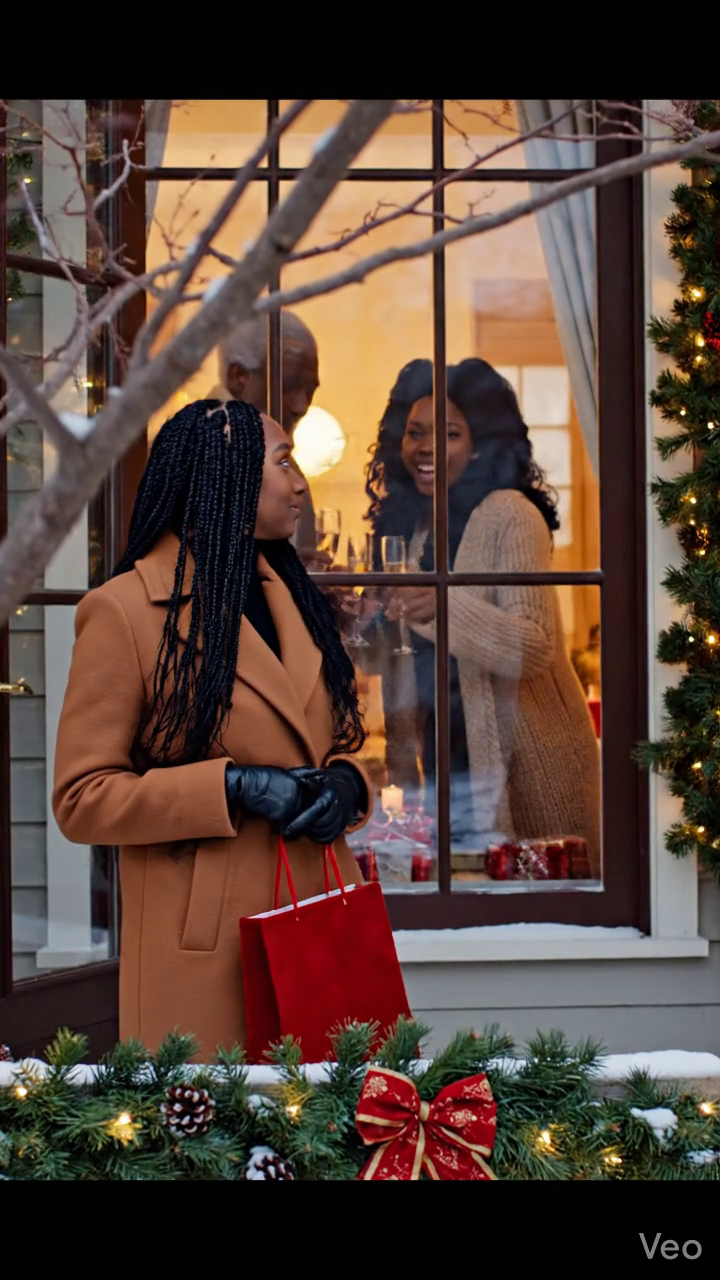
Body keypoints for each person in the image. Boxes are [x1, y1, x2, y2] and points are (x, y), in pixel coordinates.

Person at [52, 399, 372, 1060]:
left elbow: (336, 740)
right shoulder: (124, 612)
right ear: (226, 476)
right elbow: (82, 799)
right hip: (206, 948)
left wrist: (347, 783)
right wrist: (232, 789)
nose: (299, 482)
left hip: (320, 920)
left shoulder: (290, 593)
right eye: (284, 463)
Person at [362, 357, 600, 872]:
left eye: (448, 433)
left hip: (520, 766)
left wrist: (443, 607)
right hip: (439, 770)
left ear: (480, 445)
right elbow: (398, 656)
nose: (425, 447)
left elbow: (535, 645)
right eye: (414, 433)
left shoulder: (512, 514)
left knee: (530, 925)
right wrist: (357, 619)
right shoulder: (416, 527)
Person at [208, 310, 324, 566]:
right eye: (290, 387)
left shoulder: (276, 455)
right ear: (239, 376)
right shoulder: (201, 453)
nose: (302, 406)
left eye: (310, 390)